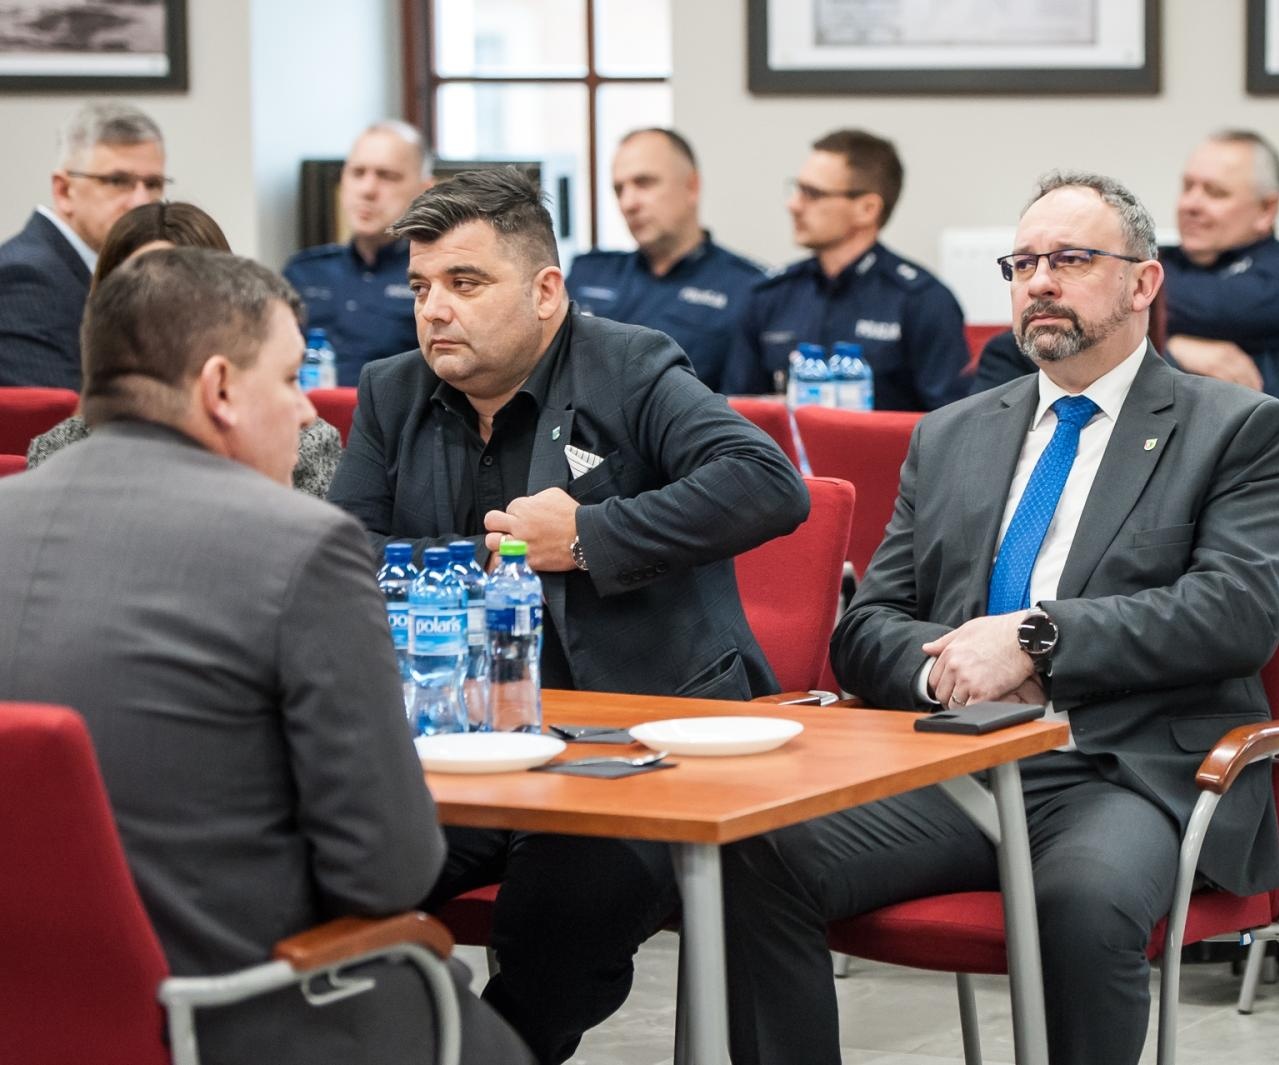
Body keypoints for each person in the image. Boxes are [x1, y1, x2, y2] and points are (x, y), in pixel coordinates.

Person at [721, 171, 1279, 1065]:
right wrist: (950, 666)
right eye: (1022, 264)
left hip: (1121, 768)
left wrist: (1034, 639)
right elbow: (867, 625)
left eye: (1070, 260)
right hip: (956, 765)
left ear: (1143, 283)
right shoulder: (952, 434)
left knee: (1081, 903)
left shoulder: (1232, 426)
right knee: (752, 854)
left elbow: (1237, 612)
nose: (1039, 283)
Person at [0, 247, 530, 1065]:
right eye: (288, 379)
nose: (308, 411)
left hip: (27, 1005)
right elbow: (387, 871)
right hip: (234, 1009)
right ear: (219, 388)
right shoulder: (301, 547)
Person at [327, 166, 809, 1063]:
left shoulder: (630, 364)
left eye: (465, 282)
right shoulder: (392, 391)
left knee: (553, 923)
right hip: (462, 742)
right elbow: (345, 555)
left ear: (546, 291)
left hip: (635, 747)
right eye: (421, 288)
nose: (436, 310)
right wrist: (472, 563)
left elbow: (767, 485)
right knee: (336, 876)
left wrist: (587, 535)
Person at [25, 201, 343, 499]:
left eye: (180, 290)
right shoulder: (61, 450)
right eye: (138, 289)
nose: (159, 309)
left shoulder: (299, 443)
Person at [722, 128, 969, 410]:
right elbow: (737, 411)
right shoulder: (768, 295)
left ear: (867, 209)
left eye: (812, 193)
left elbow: (954, 420)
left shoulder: (922, 301)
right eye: (797, 189)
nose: (793, 205)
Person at [565, 128, 764, 391]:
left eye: (644, 183)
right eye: (619, 189)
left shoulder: (747, 288)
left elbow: (742, 405)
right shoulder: (590, 273)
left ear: (692, 187)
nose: (628, 203)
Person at [1161, 129, 1279, 417]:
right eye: (1187, 187)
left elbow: (1217, 309)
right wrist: (1170, 347)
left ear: (1267, 209)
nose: (1190, 205)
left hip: (1277, 440)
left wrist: (1149, 327)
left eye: (1215, 193)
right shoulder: (1155, 262)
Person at [0, 101, 167, 388]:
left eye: (153, 184)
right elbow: (56, 413)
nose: (142, 202)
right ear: (64, 191)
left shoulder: (125, 272)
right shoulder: (24, 277)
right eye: (118, 181)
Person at [284, 120, 433, 383]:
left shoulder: (434, 277)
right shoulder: (303, 272)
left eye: (387, 176)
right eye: (357, 173)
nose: (367, 190)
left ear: (424, 190)